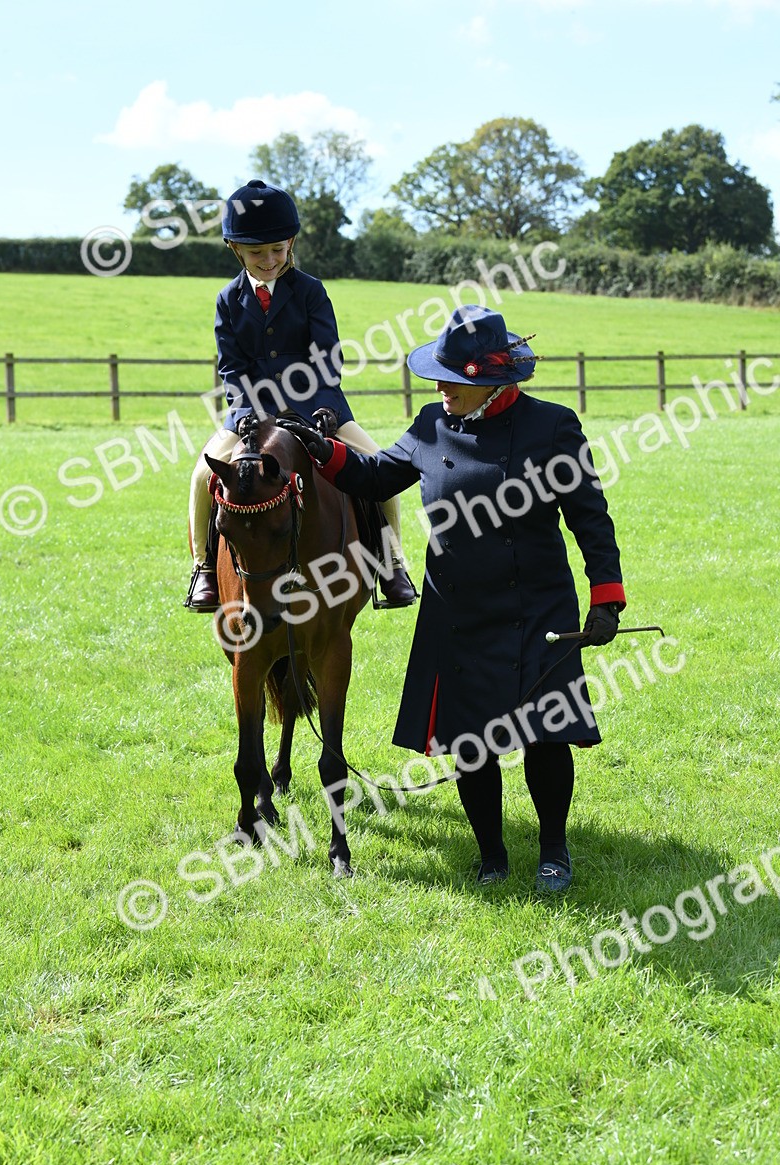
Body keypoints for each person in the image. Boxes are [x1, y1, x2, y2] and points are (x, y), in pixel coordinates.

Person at [279, 306, 626, 891]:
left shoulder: (554, 427)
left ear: (492, 386)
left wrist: (606, 597)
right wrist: (321, 450)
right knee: (471, 742)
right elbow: (374, 476)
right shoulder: (430, 425)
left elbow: (590, 518)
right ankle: (491, 856)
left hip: (537, 607)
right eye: (439, 378)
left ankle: (553, 849)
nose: (441, 390)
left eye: (455, 382)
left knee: (545, 733)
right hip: (457, 611)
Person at [185, 179, 416, 611]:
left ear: (291, 242)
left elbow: (327, 361)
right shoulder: (227, 300)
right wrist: (248, 412)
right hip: (250, 415)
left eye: (278, 249)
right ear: (235, 248)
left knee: (380, 470)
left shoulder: (310, 290)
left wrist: (318, 411)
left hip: (320, 407)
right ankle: (202, 569)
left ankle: (392, 563)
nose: (270, 260)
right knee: (201, 476)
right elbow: (232, 367)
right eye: (257, 253)